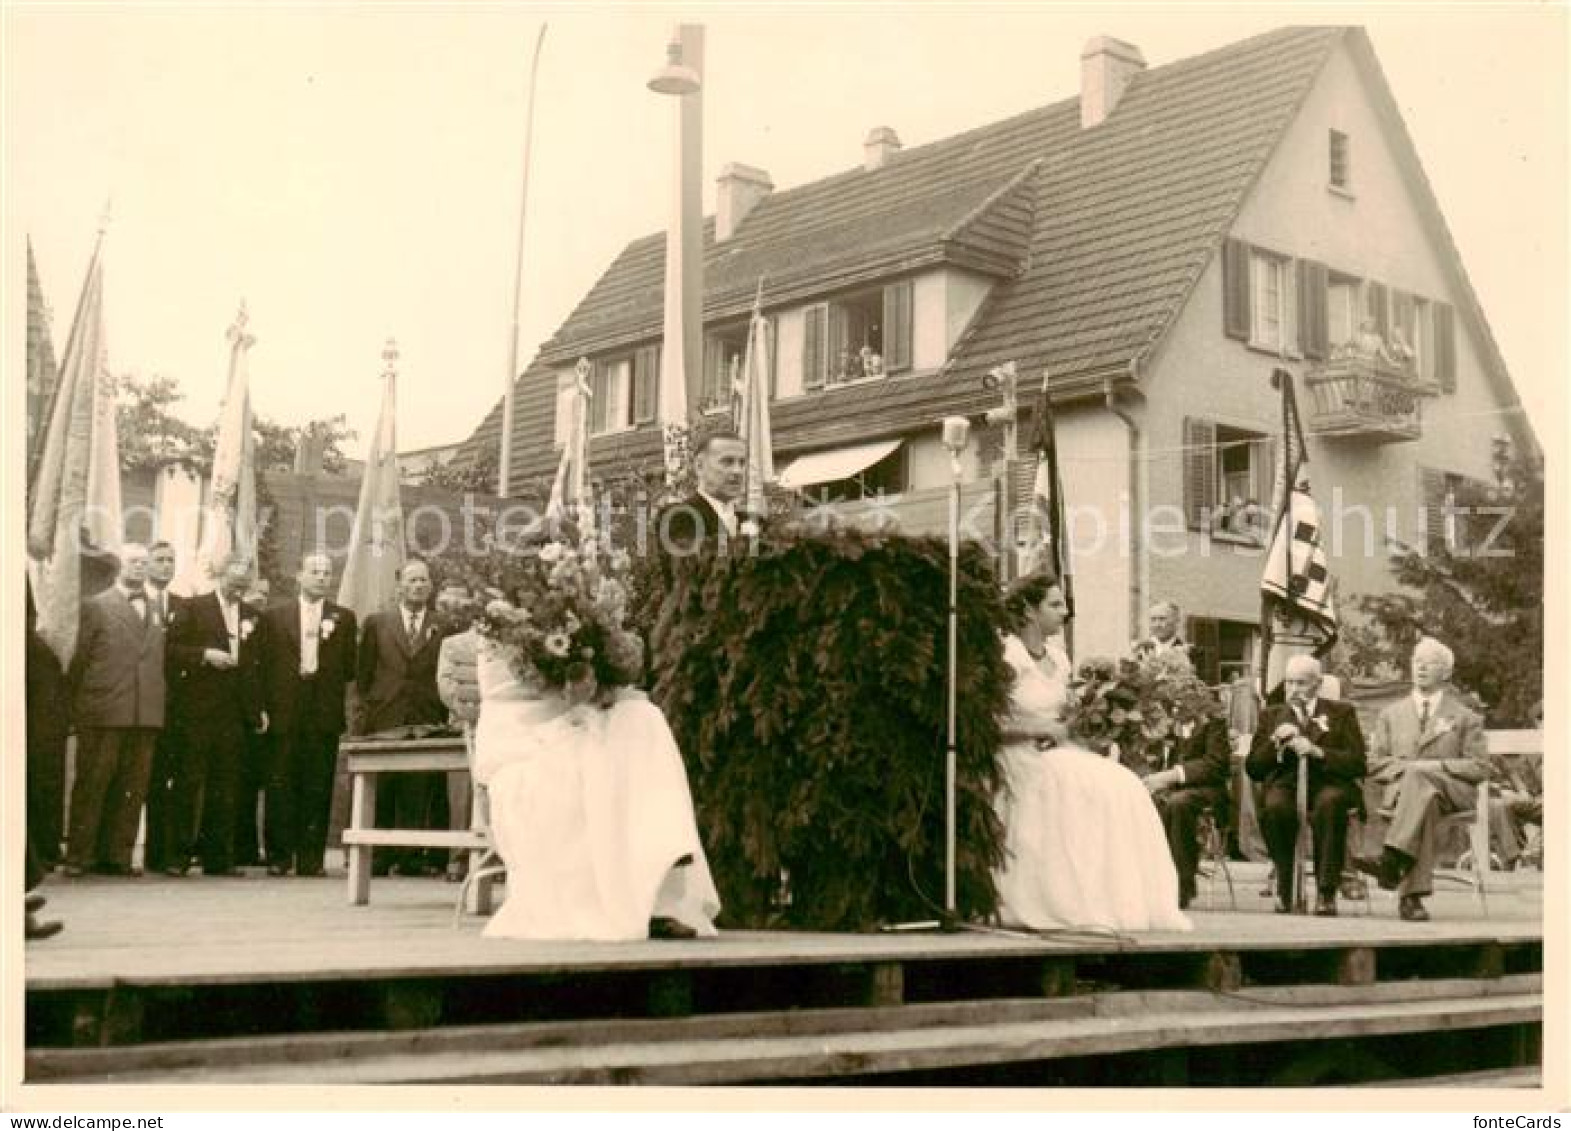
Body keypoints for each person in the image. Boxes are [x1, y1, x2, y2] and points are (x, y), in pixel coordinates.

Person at [471, 608, 721, 942]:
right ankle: (632, 886)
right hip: (523, 737)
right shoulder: (494, 621)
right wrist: (570, 686)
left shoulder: (569, 602)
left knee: (643, 716)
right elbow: (505, 692)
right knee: (594, 762)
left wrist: (603, 682)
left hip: (579, 715)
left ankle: (662, 867)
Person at [992, 572, 1191, 933]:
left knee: (1123, 783)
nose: (1064, 612)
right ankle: (1065, 897)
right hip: (1018, 754)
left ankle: (1111, 898)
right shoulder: (1008, 656)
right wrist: (1039, 729)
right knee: (1080, 785)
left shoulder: (1059, 658)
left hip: (1057, 751)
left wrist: (1098, 727)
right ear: (1029, 610)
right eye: (1055, 604)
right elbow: (991, 723)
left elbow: (1067, 717)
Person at [1353, 637, 1489, 922]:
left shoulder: (1466, 717)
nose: (1421, 667)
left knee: (1422, 782)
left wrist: (1434, 766)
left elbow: (1479, 768)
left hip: (1453, 792)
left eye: (1431, 663)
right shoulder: (1390, 714)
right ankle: (1409, 894)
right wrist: (1411, 771)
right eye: (1417, 661)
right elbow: (1375, 763)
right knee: (1424, 802)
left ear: (1446, 672)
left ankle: (1392, 859)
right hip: (1408, 796)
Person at [62, 543, 167, 877]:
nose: (140, 567)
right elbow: (79, 659)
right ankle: (80, 856)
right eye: (133, 562)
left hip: (144, 712)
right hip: (104, 708)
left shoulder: (156, 607)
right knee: (94, 783)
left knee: (132, 786)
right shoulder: (96, 605)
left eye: (144, 563)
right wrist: (79, 707)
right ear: (119, 566)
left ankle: (117, 856)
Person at [161, 554, 265, 876]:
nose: (239, 584)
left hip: (234, 715)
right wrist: (205, 655)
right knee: (189, 782)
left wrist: (257, 709)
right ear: (219, 575)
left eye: (244, 579)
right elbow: (171, 650)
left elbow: (255, 668)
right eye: (233, 577)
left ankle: (218, 858)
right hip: (197, 712)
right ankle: (177, 857)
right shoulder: (194, 607)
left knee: (226, 785)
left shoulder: (253, 616)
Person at [257, 553, 358, 877]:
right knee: (280, 782)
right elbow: (264, 665)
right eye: (315, 571)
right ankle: (279, 856)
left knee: (317, 783)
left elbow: (349, 667)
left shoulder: (343, 618)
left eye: (327, 572)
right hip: (285, 708)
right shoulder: (275, 617)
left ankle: (311, 859)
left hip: (322, 710)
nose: (322, 577)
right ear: (299, 575)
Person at [1247, 655, 1367, 916]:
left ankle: (1326, 891)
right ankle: (1286, 885)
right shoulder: (1271, 715)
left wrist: (1317, 751)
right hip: (1287, 784)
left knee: (1329, 804)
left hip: (1329, 783)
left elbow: (1358, 763)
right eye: (1289, 682)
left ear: (1318, 683)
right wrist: (1274, 742)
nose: (1293, 690)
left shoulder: (1341, 713)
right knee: (1275, 807)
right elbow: (1253, 769)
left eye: (1300, 683)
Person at [356, 558, 450, 876]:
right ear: (399, 586)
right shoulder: (377, 623)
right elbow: (364, 674)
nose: (418, 586)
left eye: (423, 580)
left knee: (419, 786)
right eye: (412, 580)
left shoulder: (444, 625)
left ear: (431, 587)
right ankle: (379, 856)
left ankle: (411, 857)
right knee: (383, 785)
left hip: (426, 715)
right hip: (386, 714)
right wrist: (366, 713)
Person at [1143, 708, 1232, 911]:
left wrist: (1173, 776)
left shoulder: (1213, 721)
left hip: (1204, 789)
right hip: (1161, 787)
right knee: (1138, 799)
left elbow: (1216, 765)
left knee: (1178, 804)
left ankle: (1181, 885)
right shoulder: (1154, 714)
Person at [141, 540, 186, 874]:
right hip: (137, 702)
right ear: (145, 564)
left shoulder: (184, 606)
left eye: (171, 560)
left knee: (166, 781)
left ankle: (162, 855)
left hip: (173, 706)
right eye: (159, 560)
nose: (166, 566)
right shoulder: (133, 601)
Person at [435, 580, 483, 882]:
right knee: (461, 794)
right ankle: (458, 859)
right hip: (465, 727)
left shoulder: (513, 645)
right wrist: (472, 715)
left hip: (503, 727)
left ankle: (496, 857)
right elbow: (446, 685)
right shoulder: (454, 644)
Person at [658, 432, 752, 556]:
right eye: (727, 462)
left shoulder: (754, 521)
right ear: (699, 466)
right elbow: (694, 564)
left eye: (742, 463)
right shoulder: (678, 517)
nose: (737, 471)